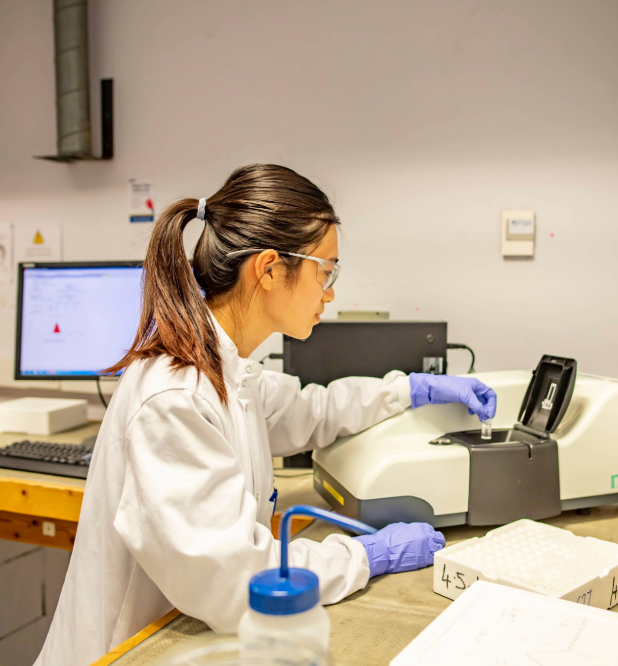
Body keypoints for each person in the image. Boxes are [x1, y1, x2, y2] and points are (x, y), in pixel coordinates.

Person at [35, 164, 497, 666]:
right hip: (125, 652)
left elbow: (314, 410)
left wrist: (411, 389)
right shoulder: (175, 397)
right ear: (271, 268)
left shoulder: (229, 371)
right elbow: (238, 584)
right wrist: (365, 556)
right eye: (327, 270)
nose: (331, 291)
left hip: (181, 637)